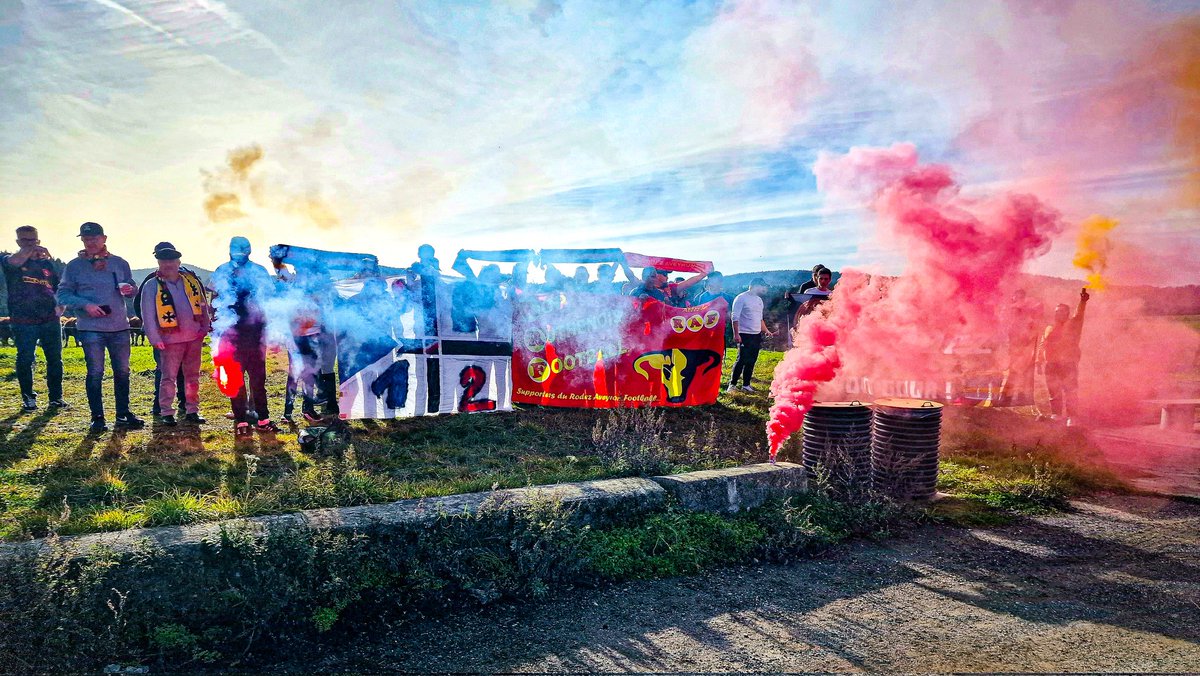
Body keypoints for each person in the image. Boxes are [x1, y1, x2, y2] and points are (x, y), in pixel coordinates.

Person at [56, 222, 143, 432]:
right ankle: (97, 417)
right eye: (86, 239)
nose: (90, 242)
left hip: (120, 327)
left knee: (122, 372)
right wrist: (86, 305)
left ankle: (123, 414)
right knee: (95, 372)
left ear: (104, 238)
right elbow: (63, 294)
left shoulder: (120, 263)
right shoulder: (74, 266)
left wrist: (131, 289)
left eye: (94, 238)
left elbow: (131, 288)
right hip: (90, 328)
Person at [209, 236, 278, 434]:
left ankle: (263, 419)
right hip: (231, 335)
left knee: (258, 381)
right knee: (235, 379)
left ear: (249, 250)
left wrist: (268, 330)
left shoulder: (259, 271)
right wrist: (216, 328)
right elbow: (214, 300)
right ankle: (241, 421)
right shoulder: (222, 271)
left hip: (256, 334)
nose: (238, 254)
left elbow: (269, 301)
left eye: (242, 250)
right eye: (235, 250)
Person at [138, 244, 210, 426]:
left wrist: (204, 328)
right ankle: (166, 412)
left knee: (192, 376)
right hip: (169, 341)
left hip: (193, 338)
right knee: (168, 377)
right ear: (159, 263)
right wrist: (154, 338)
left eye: (171, 260)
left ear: (178, 262)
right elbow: (147, 314)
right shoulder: (151, 285)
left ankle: (192, 409)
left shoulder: (191, 282)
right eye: (164, 261)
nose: (168, 264)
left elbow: (202, 305)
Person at [2, 225, 66, 412]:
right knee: (25, 359)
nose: (30, 244)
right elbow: (14, 261)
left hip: (49, 319)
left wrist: (61, 306)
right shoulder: (9, 261)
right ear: (18, 242)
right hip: (23, 320)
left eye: (33, 240)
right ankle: (28, 398)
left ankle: (56, 397)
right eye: (25, 240)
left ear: (38, 239)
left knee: (55, 359)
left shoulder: (47, 265)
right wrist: (29, 250)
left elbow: (59, 287)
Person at [133, 242, 186, 419]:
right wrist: (152, 327)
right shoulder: (151, 280)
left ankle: (184, 402)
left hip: (185, 333)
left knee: (183, 370)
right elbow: (139, 306)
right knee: (164, 370)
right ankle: (160, 405)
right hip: (163, 334)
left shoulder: (186, 278)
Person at [1038, 288, 1089, 426]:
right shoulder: (1049, 328)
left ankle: (1072, 417)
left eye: (1062, 311)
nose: (1059, 313)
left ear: (1067, 313)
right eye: (1057, 311)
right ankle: (1057, 414)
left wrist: (1082, 302)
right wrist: (1039, 361)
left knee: (1070, 390)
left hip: (1068, 363)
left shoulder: (1073, 324)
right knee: (1053, 390)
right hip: (1051, 364)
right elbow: (1043, 344)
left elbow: (1079, 315)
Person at [728, 277, 774, 392]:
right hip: (744, 334)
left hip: (756, 334)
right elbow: (735, 317)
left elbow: (760, 319)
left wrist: (766, 330)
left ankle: (746, 385)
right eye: (762, 286)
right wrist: (736, 334)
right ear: (755, 286)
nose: (763, 288)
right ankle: (732, 385)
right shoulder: (741, 298)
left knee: (752, 360)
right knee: (741, 360)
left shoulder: (759, 300)